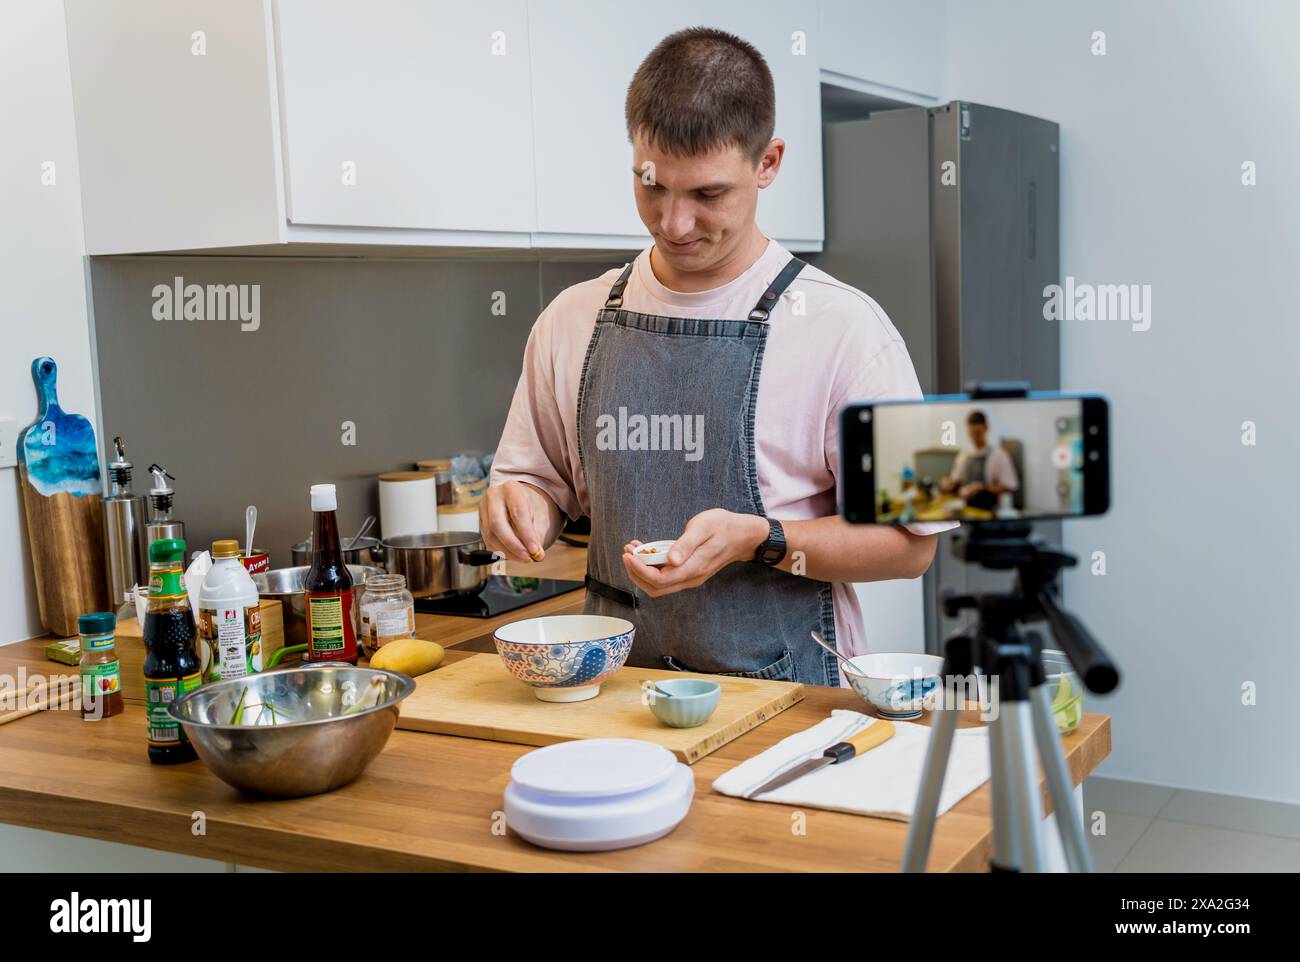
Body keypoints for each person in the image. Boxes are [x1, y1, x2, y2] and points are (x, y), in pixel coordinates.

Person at [482, 27, 956, 686]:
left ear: (768, 163)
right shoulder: (570, 318)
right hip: (614, 694)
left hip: (788, 702)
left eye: (707, 194)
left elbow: (913, 547)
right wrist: (520, 507)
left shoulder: (852, 330)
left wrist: (762, 539)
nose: (674, 223)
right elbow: (535, 482)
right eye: (652, 186)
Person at [938, 410, 1020, 510]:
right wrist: (947, 484)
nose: (975, 437)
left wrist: (983, 488)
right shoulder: (963, 455)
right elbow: (955, 481)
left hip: (990, 511)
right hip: (966, 509)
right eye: (972, 433)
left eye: (978, 433)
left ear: (986, 429)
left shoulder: (998, 455)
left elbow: (1010, 487)